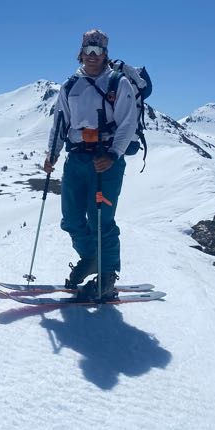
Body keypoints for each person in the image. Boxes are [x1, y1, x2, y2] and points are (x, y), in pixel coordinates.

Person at [43, 29, 139, 300]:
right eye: (88, 50)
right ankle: (90, 258)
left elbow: (127, 123)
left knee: (101, 221)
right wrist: (52, 154)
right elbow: (60, 122)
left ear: (105, 54)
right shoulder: (70, 85)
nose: (93, 56)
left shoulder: (118, 84)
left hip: (105, 162)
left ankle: (107, 277)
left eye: (98, 51)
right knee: (72, 219)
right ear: (81, 53)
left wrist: (112, 155)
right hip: (76, 159)